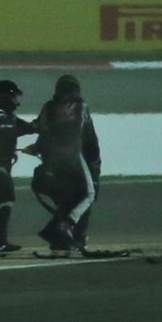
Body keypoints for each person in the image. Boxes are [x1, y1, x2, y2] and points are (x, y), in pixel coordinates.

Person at [29, 74, 100, 251]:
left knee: (64, 198)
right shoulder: (82, 107)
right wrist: (95, 163)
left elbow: (42, 130)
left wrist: (37, 148)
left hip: (54, 160)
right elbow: (89, 136)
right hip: (75, 156)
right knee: (89, 194)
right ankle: (66, 226)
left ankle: (60, 237)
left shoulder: (48, 107)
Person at [0, 79, 37, 252]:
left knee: (4, 201)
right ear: (2, 97)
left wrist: (40, 126)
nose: (15, 100)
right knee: (6, 199)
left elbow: (28, 127)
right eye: (13, 96)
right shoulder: (0, 115)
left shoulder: (7, 115)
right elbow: (8, 132)